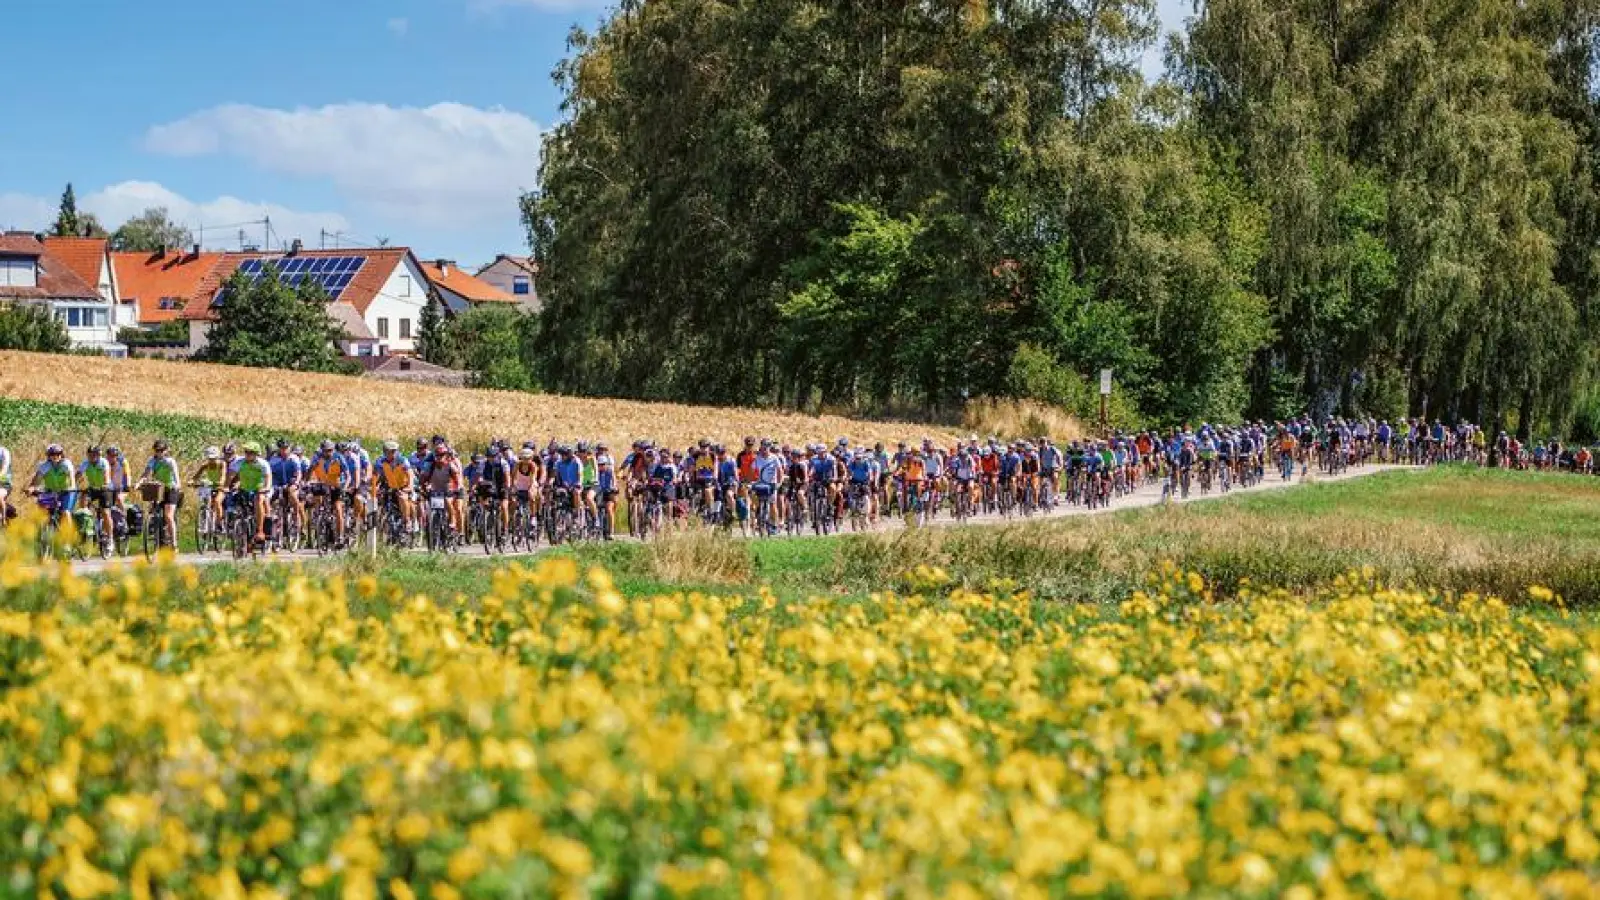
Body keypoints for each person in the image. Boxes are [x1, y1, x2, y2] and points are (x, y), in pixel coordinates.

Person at [140, 440, 182, 550]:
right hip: (158, 487)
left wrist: (177, 485)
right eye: (157, 450)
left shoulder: (170, 461)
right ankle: (153, 532)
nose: (159, 453)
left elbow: (176, 474)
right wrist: (139, 483)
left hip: (170, 488)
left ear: (166, 450)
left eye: (161, 450)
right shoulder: (152, 460)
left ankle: (174, 542)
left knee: (168, 515)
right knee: (152, 510)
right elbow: (146, 473)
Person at [308, 440, 352, 546]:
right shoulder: (317, 457)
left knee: (338, 509)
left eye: (331, 450)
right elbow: (310, 470)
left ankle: (340, 536)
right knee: (317, 499)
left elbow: (348, 475)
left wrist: (345, 487)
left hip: (336, 485)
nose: (329, 453)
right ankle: (318, 520)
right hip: (323, 483)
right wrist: (306, 482)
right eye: (326, 451)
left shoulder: (339, 457)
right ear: (322, 450)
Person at [228, 442, 273, 545]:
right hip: (244, 488)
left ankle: (260, 531)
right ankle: (237, 529)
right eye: (246, 452)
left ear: (256, 453)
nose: (247, 454)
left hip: (259, 489)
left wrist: (266, 488)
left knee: (259, 501)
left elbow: (268, 478)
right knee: (235, 502)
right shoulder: (239, 462)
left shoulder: (263, 463)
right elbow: (230, 476)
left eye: (250, 452)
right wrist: (226, 487)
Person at [80, 445, 116, 546]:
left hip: (106, 488)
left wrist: (105, 484)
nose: (92, 457)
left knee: (105, 512)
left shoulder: (103, 462)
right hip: (93, 488)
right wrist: (74, 484)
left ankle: (110, 538)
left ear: (99, 455)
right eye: (90, 455)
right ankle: (86, 526)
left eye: (94, 455)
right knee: (83, 500)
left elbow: (106, 476)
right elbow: (78, 474)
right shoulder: (85, 463)